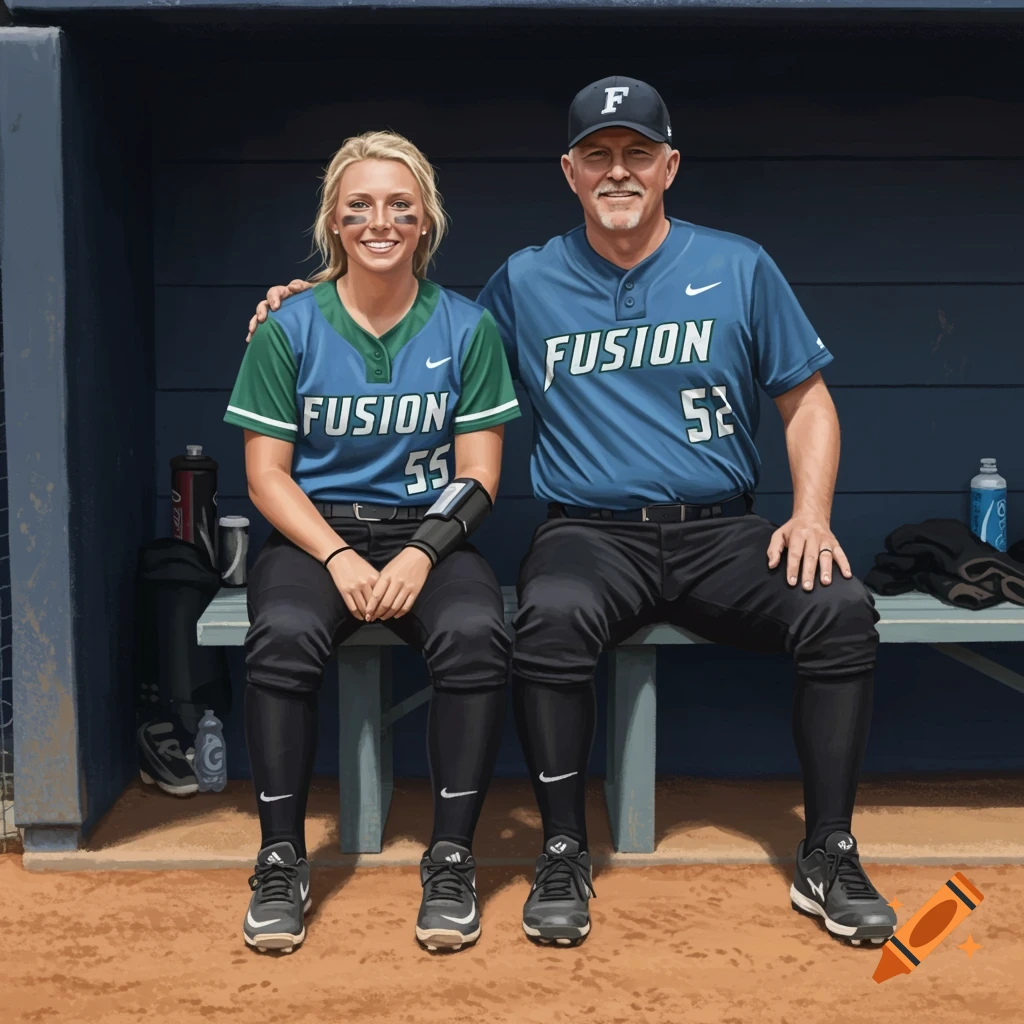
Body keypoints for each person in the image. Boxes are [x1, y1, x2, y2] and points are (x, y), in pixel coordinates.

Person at [245, 78, 897, 951]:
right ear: (570, 170)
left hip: (720, 527)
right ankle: (561, 851)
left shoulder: (738, 265)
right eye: (598, 154)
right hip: (590, 532)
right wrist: (302, 300)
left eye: (636, 153)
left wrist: (811, 516)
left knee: (842, 610)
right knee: (547, 617)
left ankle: (829, 851)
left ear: (670, 165)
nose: (617, 171)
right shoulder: (525, 282)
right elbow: (426, 331)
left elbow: (808, 403)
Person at [227, 130, 520, 955]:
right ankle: (281, 859)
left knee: (474, 634)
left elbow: (481, 473)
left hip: (429, 531)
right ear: (334, 221)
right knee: (281, 637)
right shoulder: (288, 327)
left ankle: (452, 858)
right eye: (359, 206)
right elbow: (267, 478)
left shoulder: (468, 327)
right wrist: (340, 557)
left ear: (425, 220)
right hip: (317, 534)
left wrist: (421, 552)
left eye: (399, 205)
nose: (379, 220)